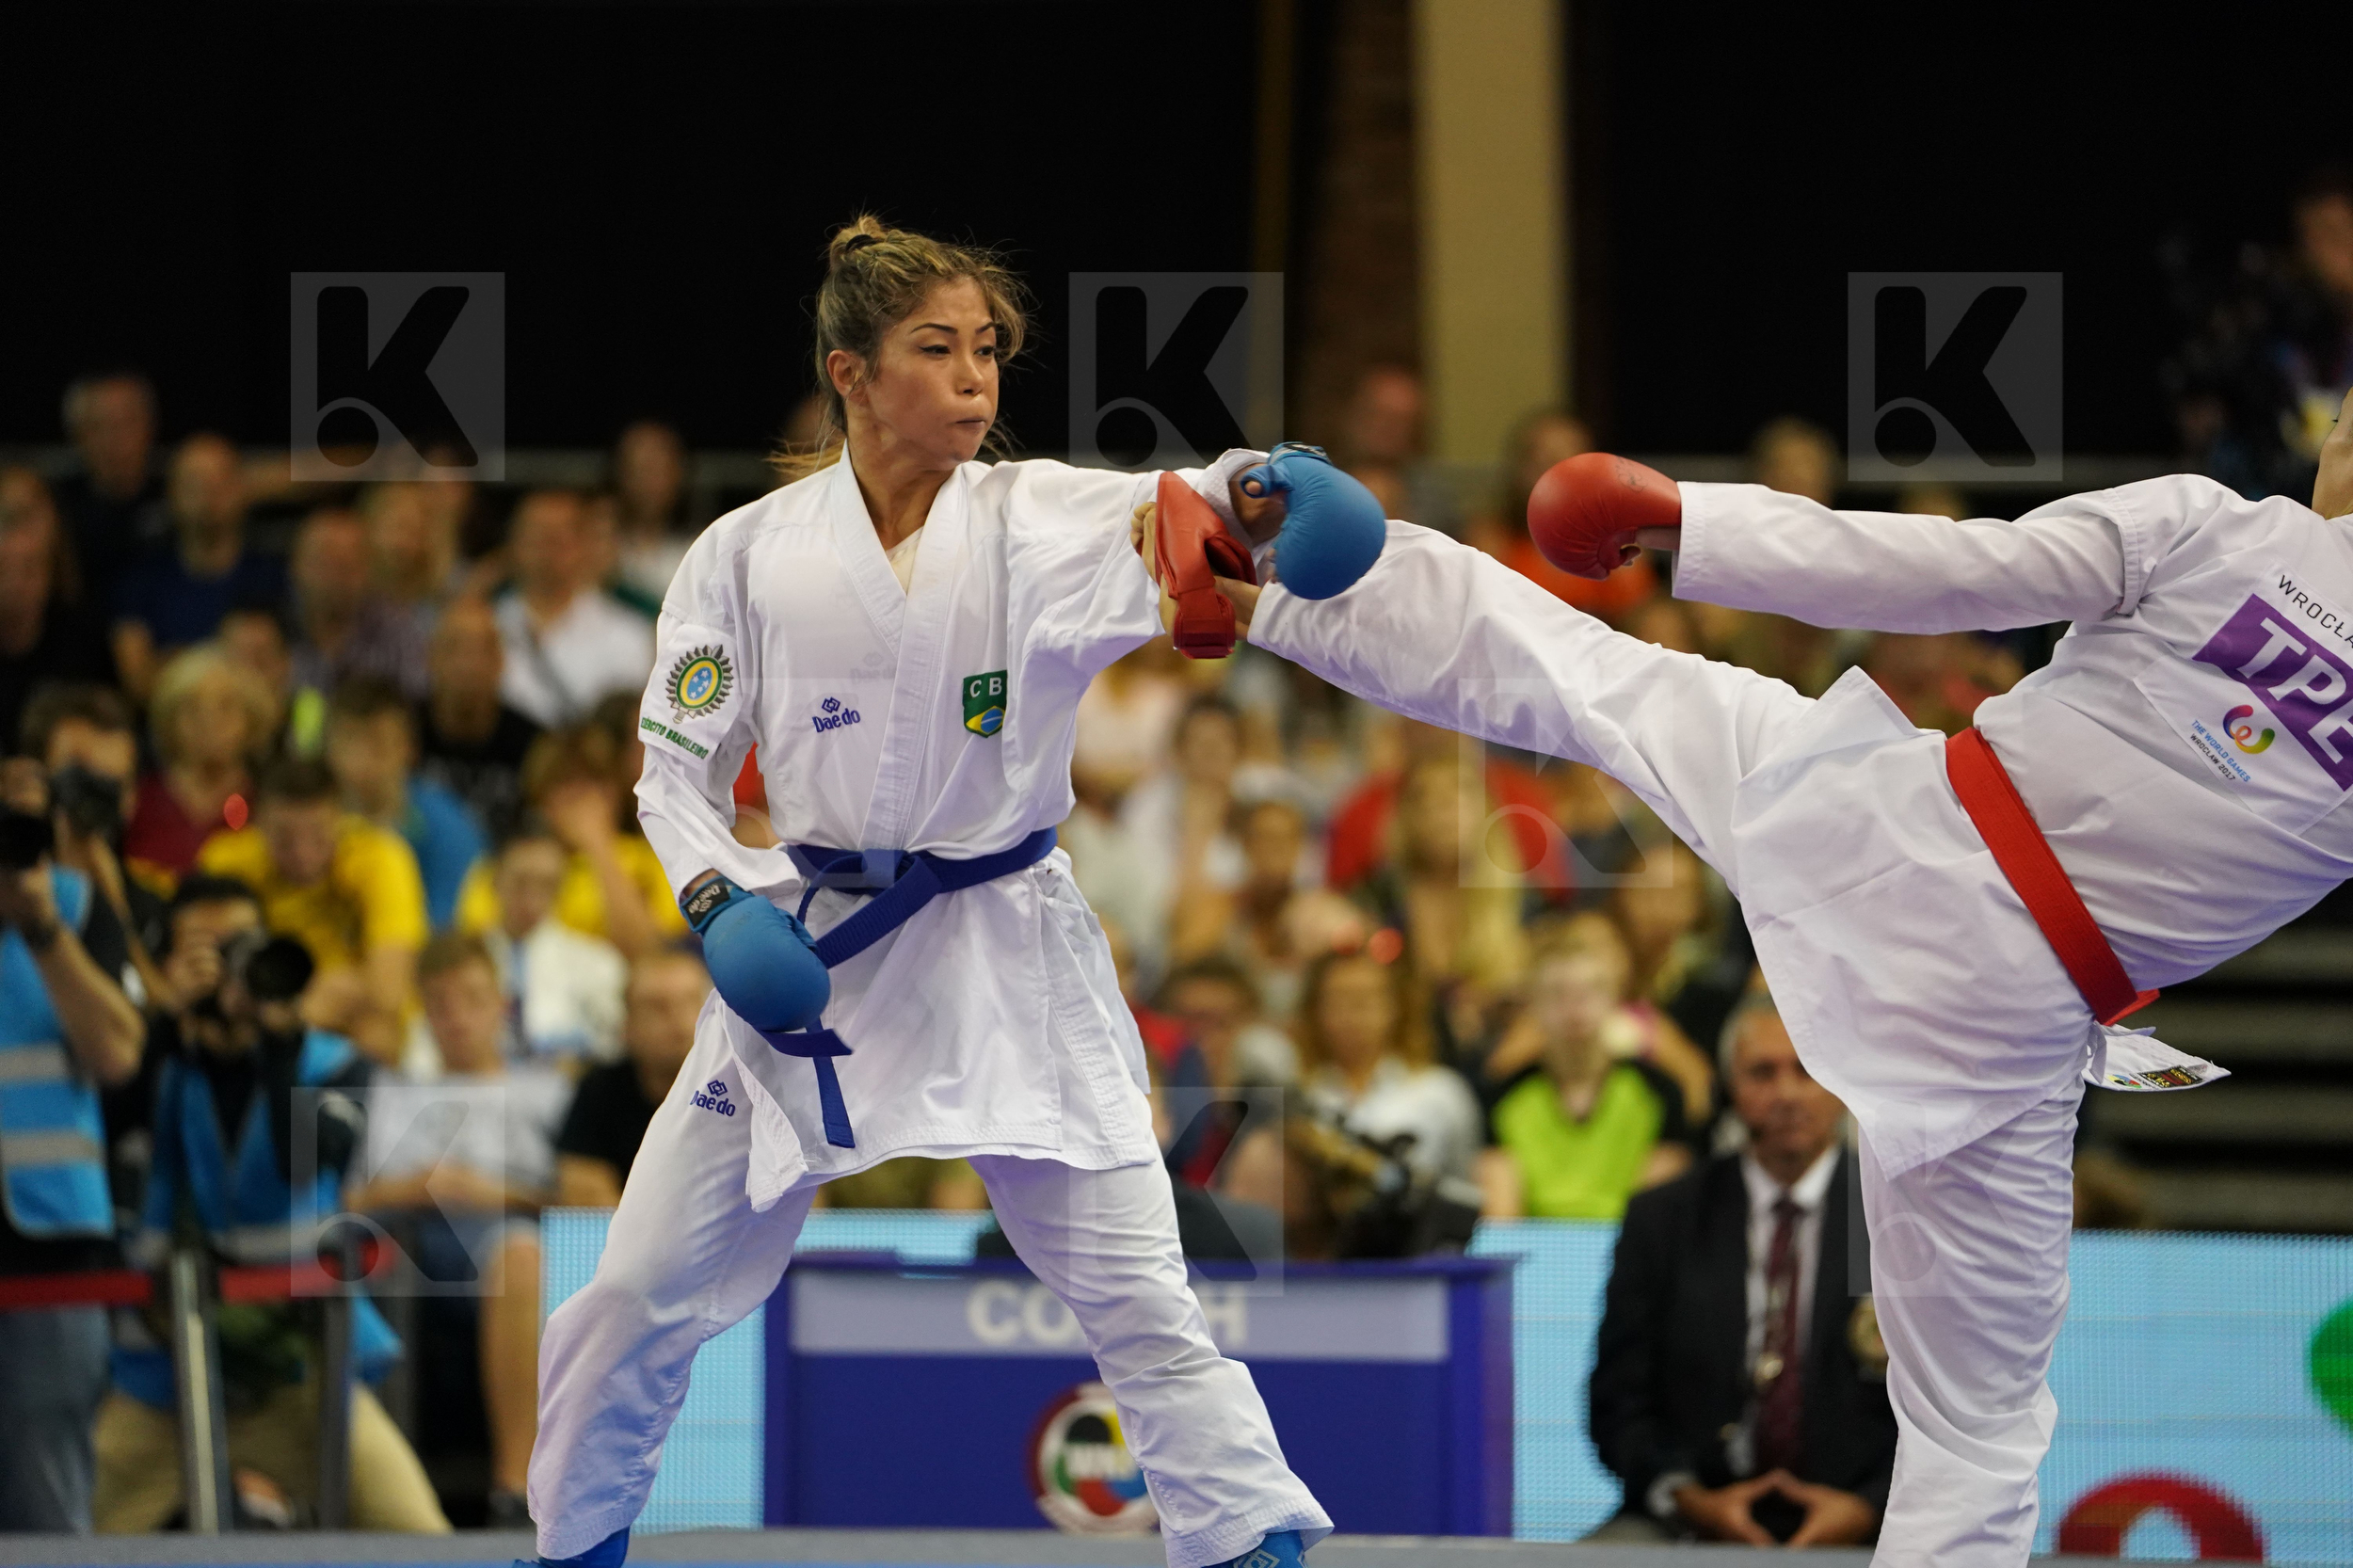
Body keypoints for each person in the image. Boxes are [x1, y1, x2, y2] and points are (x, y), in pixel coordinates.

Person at [1206, 397, 2353, 1567]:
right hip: (2011, 1023)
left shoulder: (2213, 526)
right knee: (1978, 1429)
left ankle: (1267, 584)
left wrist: (1683, 520)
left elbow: (1929, 571)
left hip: (1890, 836)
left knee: (1590, 676)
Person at [525, 216, 1335, 1568]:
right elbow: (673, 773)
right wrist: (719, 906)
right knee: (638, 1282)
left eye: (989, 352)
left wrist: (1265, 488)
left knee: (1135, 1284)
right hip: (815, 942)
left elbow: (1183, 502)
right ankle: (571, 1539)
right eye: (936, 350)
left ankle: (1250, 1532)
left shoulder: (1037, 519)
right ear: (849, 371)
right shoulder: (744, 552)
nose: (975, 380)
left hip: (1006, 938)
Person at [91, 880, 447, 1533]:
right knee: (68, 1542)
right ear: (170, 963)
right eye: (209, 951)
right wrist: (171, 1020)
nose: (233, 971)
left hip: (300, 1373)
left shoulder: (333, 1062)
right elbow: (110, 1125)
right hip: (162, 1378)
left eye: (245, 948)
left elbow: (302, 1164)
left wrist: (278, 1050)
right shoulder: (151, 1056)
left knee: (420, 1534)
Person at [1587, 994, 1891, 1546]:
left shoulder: (1898, 1219)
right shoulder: (1663, 1220)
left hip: (1867, 1520)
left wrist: (1868, 1508)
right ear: (1728, 1087)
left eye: (1807, 1070)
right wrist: (1690, 1498)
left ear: (1842, 1084)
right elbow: (1617, 1404)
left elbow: (1948, 1405)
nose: (1787, 1093)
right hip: (1687, 1516)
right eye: (1762, 1072)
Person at [348, 932, 568, 1527]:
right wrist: (410, 1188)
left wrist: (491, 1191)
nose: (458, 1017)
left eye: (473, 999)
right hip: (406, 1235)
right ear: (424, 1011)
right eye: (441, 1003)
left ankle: (513, 1488)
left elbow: (575, 1196)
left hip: (511, 1233)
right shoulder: (391, 1091)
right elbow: (343, 1198)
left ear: (501, 1003)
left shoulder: (548, 1090)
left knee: (521, 1252)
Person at [0, 768, 144, 1533]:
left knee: (47, 1499)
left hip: (51, 1239)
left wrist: (42, 928)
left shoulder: (79, 903)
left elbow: (120, 1055)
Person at [197, 756, 428, 1066]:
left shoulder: (381, 857)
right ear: (259, 824)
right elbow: (203, 973)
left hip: (345, 1024)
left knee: (378, 1034)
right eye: (285, 839)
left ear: (341, 820)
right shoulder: (225, 861)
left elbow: (389, 989)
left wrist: (296, 1014)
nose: (303, 854)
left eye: (319, 836)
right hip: (258, 1016)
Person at [1480, 923, 1693, 1220]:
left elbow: (1657, 1214)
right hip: (1533, 1256)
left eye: (1589, 991)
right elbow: (1500, 1220)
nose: (1574, 1008)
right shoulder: (1502, 1098)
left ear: (1615, 999)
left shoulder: (1660, 1092)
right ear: (1533, 1005)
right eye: (1557, 993)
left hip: (1628, 1255)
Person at [454, 722, 681, 959]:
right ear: (540, 800)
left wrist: (598, 847)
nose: (580, 799)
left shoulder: (653, 860)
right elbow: (484, 955)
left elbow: (649, 956)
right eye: (565, 785)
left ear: (616, 791)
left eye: (594, 783)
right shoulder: (504, 867)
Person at [111, 433, 287, 705]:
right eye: (195, 483)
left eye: (221, 481)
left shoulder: (275, 576)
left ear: (242, 488)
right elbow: (139, 683)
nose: (209, 494)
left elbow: (291, 671)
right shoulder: (141, 580)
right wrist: (235, 658)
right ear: (171, 494)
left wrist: (176, 660)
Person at [1286, 945, 1481, 1182]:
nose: (1351, 1016)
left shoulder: (1440, 1092)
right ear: (1315, 1010)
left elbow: (1465, 1185)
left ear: (1395, 1006)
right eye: (1338, 1000)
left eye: (1364, 1001)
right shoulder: (1298, 1095)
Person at [323, 677, 487, 931]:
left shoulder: (450, 827)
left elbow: (448, 931)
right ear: (328, 749)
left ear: (409, 749)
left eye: (378, 744)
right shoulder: (307, 817)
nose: (361, 761)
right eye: (349, 741)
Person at [553, 947, 706, 1206]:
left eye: (691, 1002)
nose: (678, 1020)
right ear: (627, 1025)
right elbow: (582, 1193)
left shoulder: (751, 1087)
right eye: (657, 1007)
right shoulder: (599, 1090)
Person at [494, 490, 656, 728]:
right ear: (514, 544)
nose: (545, 552)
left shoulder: (629, 637)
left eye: (557, 539)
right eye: (535, 538)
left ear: (584, 545)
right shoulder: (485, 625)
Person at [121, 644, 276, 883]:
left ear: (252, 720)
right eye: (192, 709)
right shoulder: (136, 802)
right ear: (169, 721)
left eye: (226, 707)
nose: (209, 722)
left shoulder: (271, 804)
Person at [478, 819, 628, 1067]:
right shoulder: (464, 960)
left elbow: (616, 1047)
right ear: (495, 880)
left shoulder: (598, 963)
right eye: (521, 882)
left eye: (547, 885)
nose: (532, 899)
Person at [0, 468, 118, 751]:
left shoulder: (83, 634)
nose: (18, 584)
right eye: (4, 572)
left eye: (29, 571)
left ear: (49, 576)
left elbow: (111, 723)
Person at [419, 594, 544, 840]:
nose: (467, 664)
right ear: (430, 658)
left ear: (500, 661)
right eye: (453, 648)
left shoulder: (533, 745)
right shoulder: (403, 731)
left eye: (481, 650)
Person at [288, 508, 429, 705]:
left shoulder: (398, 633)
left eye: (348, 565)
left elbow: (414, 712)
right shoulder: (270, 630)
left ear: (368, 569)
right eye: (326, 562)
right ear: (297, 564)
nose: (336, 577)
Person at [52, 372, 167, 603]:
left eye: (128, 422)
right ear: (76, 435)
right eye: (99, 426)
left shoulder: (176, 495)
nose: (117, 438)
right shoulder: (55, 506)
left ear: (150, 426)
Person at [608, 421, 696, 607]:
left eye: (658, 470)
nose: (649, 484)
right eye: (640, 469)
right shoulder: (592, 548)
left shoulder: (697, 550)